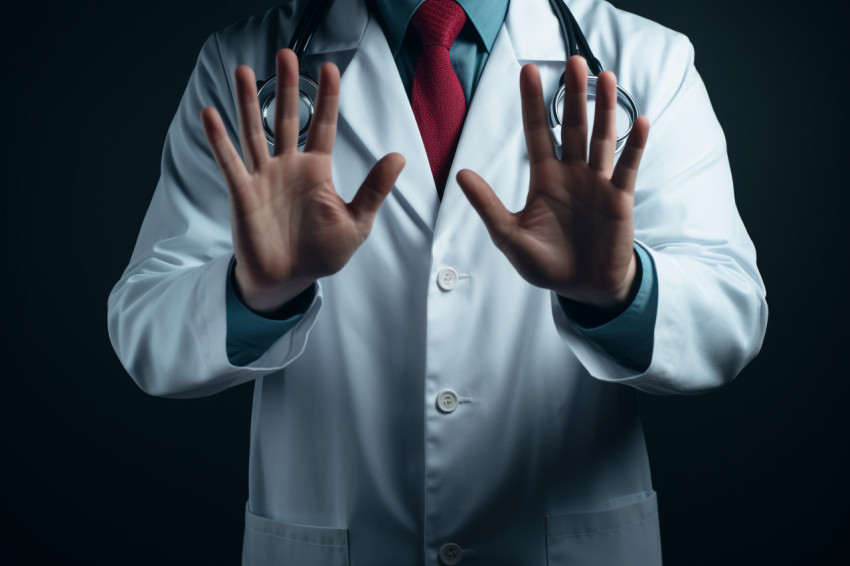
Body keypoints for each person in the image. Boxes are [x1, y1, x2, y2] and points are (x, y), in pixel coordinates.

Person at [107, 0, 768, 564]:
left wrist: (619, 290)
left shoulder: (649, 61)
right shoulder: (244, 63)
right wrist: (256, 293)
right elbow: (147, 332)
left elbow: (730, 317)